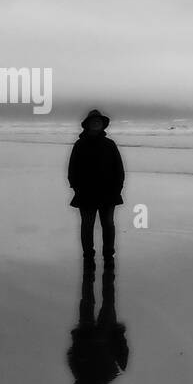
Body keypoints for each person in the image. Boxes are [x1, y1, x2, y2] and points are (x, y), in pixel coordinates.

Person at [67, 109, 124, 268]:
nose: (96, 124)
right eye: (93, 122)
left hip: (108, 193)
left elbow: (119, 169)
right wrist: (77, 188)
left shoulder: (110, 144)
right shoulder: (80, 144)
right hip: (86, 193)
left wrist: (117, 189)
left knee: (108, 224)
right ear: (88, 125)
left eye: (98, 122)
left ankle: (108, 255)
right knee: (87, 225)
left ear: (102, 125)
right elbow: (72, 170)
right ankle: (88, 256)